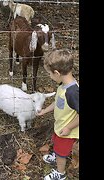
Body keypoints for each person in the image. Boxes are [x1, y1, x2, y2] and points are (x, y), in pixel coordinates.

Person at [36, 49, 79, 180]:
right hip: (60, 126)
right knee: (56, 142)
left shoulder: (73, 93)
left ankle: (60, 173)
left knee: (61, 152)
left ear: (57, 73)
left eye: (49, 74)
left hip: (67, 131)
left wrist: (69, 127)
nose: (50, 76)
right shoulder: (63, 85)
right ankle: (57, 155)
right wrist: (44, 111)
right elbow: (57, 102)